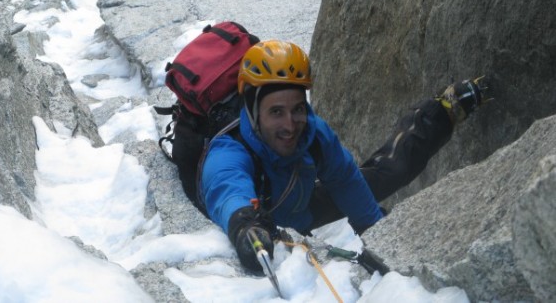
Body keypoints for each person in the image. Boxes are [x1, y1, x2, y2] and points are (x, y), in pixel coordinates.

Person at [199, 40, 490, 272]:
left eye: (297, 109)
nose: (290, 125)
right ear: (252, 111)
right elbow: (228, 190)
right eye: (276, 112)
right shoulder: (229, 151)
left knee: (388, 172)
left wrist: (380, 239)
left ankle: (443, 111)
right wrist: (245, 225)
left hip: (301, 207)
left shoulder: (313, 133)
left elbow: (347, 181)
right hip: (262, 218)